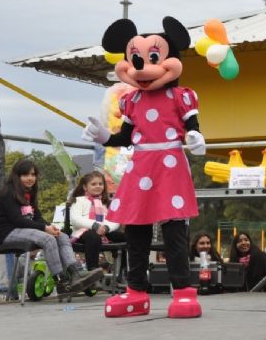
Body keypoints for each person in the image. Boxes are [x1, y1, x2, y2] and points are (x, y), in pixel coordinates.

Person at [83, 16, 206, 318]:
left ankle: (184, 291)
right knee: (136, 231)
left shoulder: (181, 95)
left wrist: (195, 136)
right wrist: (103, 136)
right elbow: (124, 137)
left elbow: (191, 124)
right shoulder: (131, 100)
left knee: (174, 231)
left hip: (170, 164)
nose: (141, 66)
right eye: (135, 59)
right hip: (140, 167)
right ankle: (136, 290)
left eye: (152, 58)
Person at [0, 158, 103, 295]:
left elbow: (37, 216)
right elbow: (17, 220)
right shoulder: (8, 192)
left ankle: (76, 273)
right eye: (26, 175)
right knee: (47, 239)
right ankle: (61, 281)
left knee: (61, 236)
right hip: (9, 232)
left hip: (26, 230)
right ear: (17, 176)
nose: (30, 178)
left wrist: (50, 227)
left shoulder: (29, 193)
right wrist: (44, 229)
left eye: (33, 175)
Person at [68, 170, 126, 272]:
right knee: (93, 237)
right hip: (84, 232)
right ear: (85, 187)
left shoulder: (106, 203)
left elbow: (114, 220)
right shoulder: (78, 201)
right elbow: (75, 219)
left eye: (100, 184)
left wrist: (107, 228)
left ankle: (123, 269)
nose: (98, 186)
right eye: (93, 184)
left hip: (103, 231)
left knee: (125, 237)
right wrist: (95, 226)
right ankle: (93, 270)